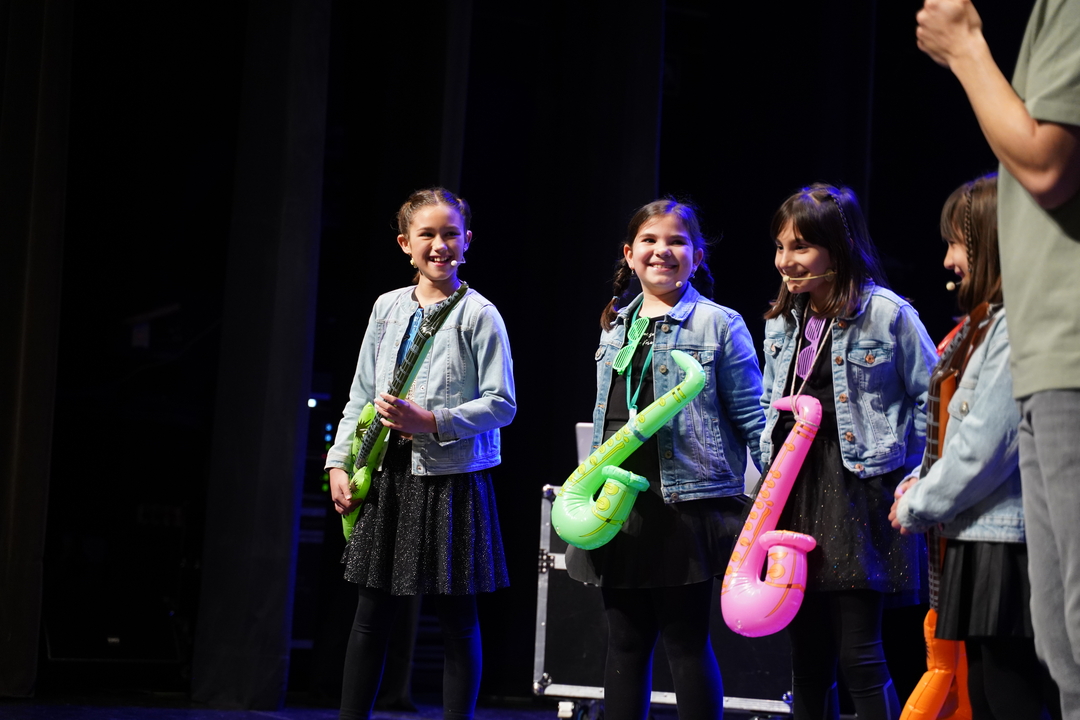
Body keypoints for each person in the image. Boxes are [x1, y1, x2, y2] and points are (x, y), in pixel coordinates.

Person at [916, 3, 1080, 717]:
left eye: (960, 243)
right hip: (1052, 364)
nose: (948, 261)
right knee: (1057, 651)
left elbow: (1045, 163)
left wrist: (964, 47)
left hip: (1065, 364)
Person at [565, 199, 766, 720]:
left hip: (686, 504)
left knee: (685, 641)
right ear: (629, 254)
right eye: (650, 241)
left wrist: (776, 492)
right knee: (625, 641)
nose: (663, 251)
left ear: (697, 256)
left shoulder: (720, 324)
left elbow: (753, 416)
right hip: (619, 502)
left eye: (677, 241)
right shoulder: (616, 324)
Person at [325, 187, 515, 720]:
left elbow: (502, 404)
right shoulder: (386, 308)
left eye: (450, 233)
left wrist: (431, 422)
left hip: (452, 477)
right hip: (387, 475)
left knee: (457, 620)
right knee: (370, 616)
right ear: (405, 243)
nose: (439, 244)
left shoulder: (480, 314)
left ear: (467, 240)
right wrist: (339, 461)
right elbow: (362, 394)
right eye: (427, 234)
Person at [760, 183, 937, 720]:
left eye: (801, 247)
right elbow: (770, 404)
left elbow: (936, 396)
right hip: (794, 492)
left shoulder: (887, 314)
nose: (786, 261)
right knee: (807, 660)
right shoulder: (782, 318)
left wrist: (917, 472)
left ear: (839, 247)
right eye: (780, 247)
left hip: (858, 491)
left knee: (860, 655)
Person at [890, 174, 1059, 720]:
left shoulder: (1017, 327)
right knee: (984, 695)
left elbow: (988, 443)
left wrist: (919, 503)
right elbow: (951, 429)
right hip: (976, 535)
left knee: (1010, 697)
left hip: (1006, 542)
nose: (947, 260)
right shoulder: (983, 324)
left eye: (956, 243)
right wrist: (917, 481)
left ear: (990, 242)